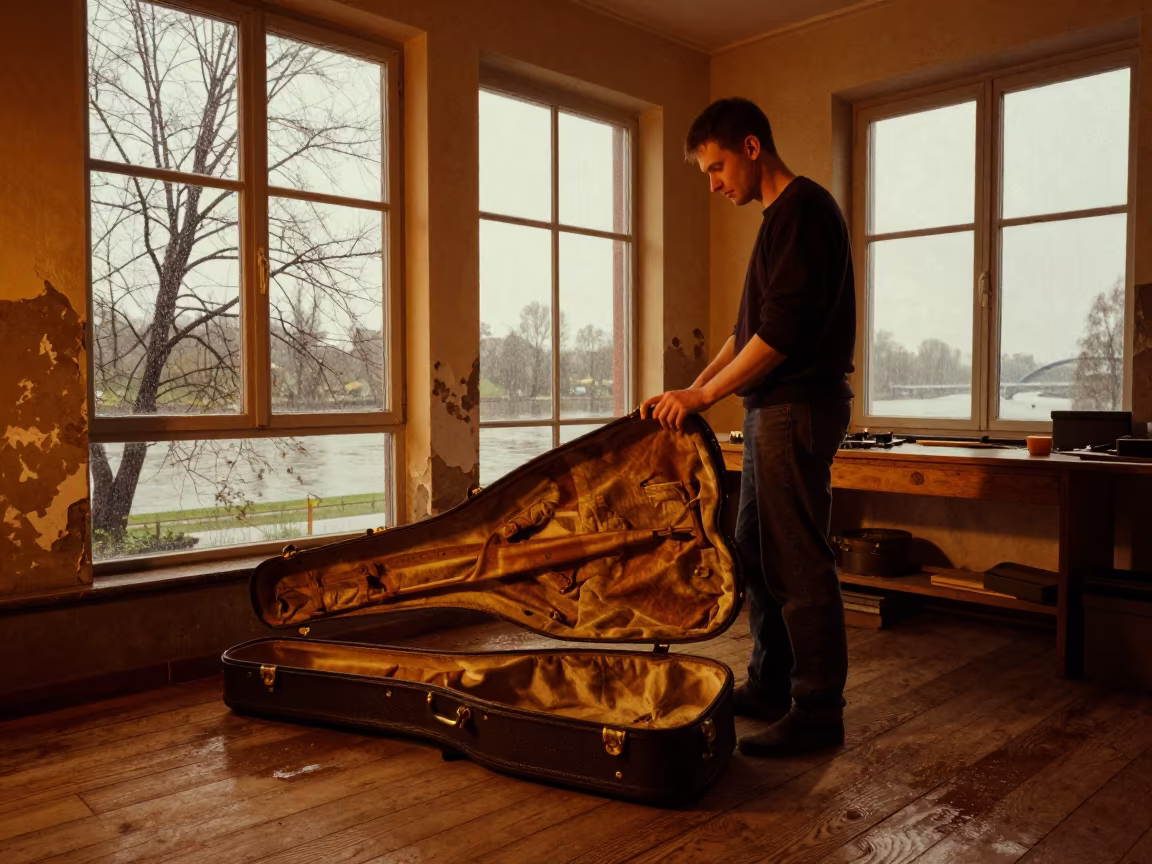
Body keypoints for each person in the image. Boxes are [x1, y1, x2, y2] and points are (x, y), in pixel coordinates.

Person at [642, 97, 855, 757]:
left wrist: (706, 396)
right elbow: (748, 334)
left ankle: (818, 710)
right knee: (755, 549)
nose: (713, 183)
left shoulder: (804, 213)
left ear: (752, 147)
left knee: (798, 558)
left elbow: (784, 336)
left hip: (798, 406)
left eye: (716, 167)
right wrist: (695, 385)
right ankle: (771, 683)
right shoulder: (775, 224)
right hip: (771, 409)